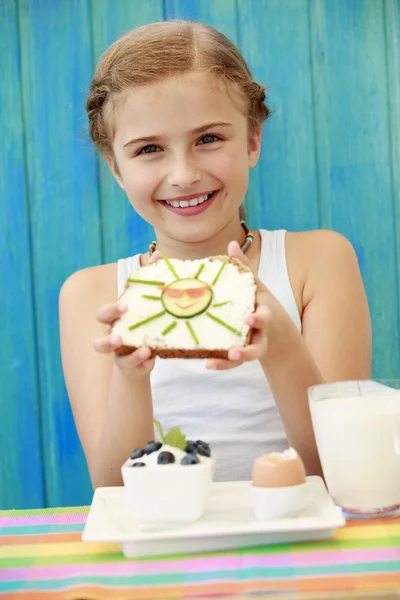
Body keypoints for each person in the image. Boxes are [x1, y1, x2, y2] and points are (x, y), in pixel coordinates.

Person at [59, 20, 372, 489]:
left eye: (208, 139)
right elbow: (112, 490)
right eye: (149, 149)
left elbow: (342, 472)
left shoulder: (318, 263)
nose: (183, 175)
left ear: (252, 140)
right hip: (168, 547)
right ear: (117, 170)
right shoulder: (92, 295)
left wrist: (281, 343)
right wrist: (129, 375)